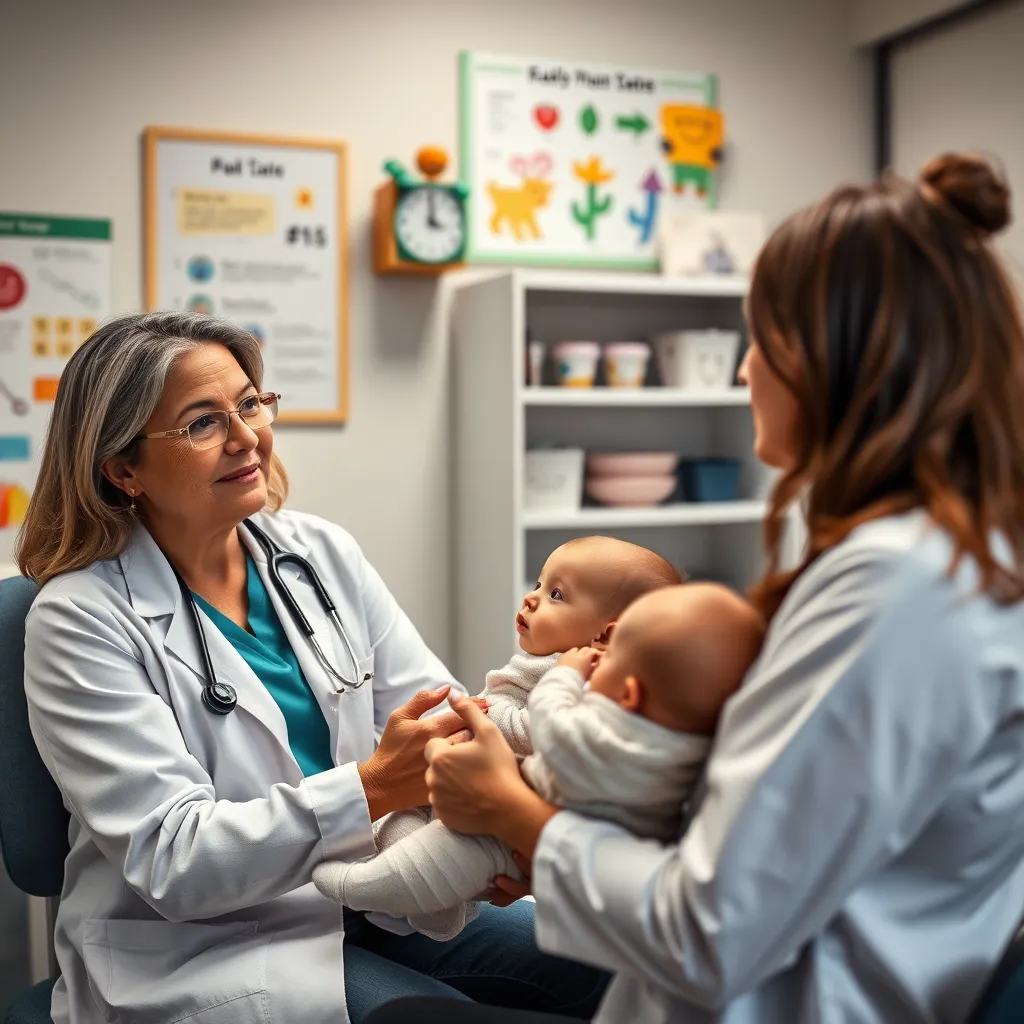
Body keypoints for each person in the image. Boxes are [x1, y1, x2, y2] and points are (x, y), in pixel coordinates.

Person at [369, 151, 1024, 1023]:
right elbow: (791, 847)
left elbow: (709, 928)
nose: (745, 371)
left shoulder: (892, 590)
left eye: (765, 341)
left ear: (841, 358)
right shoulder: (952, 560)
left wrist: (516, 812)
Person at [16, 311, 608, 1024]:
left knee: (624, 965)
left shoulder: (316, 555)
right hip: (214, 943)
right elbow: (174, 860)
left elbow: (443, 715)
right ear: (122, 468)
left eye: (249, 404)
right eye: (203, 423)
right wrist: (372, 786)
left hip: (386, 894)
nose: (247, 437)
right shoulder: (79, 618)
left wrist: (501, 831)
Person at [315, 551, 759, 940]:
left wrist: (488, 716)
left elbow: (537, 730)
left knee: (419, 860)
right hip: (503, 814)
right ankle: (424, 905)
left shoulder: (584, 684)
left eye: (557, 595)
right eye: (539, 584)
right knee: (405, 831)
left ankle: (352, 884)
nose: (532, 598)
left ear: (604, 637)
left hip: (498, 825)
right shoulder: (590, 684)